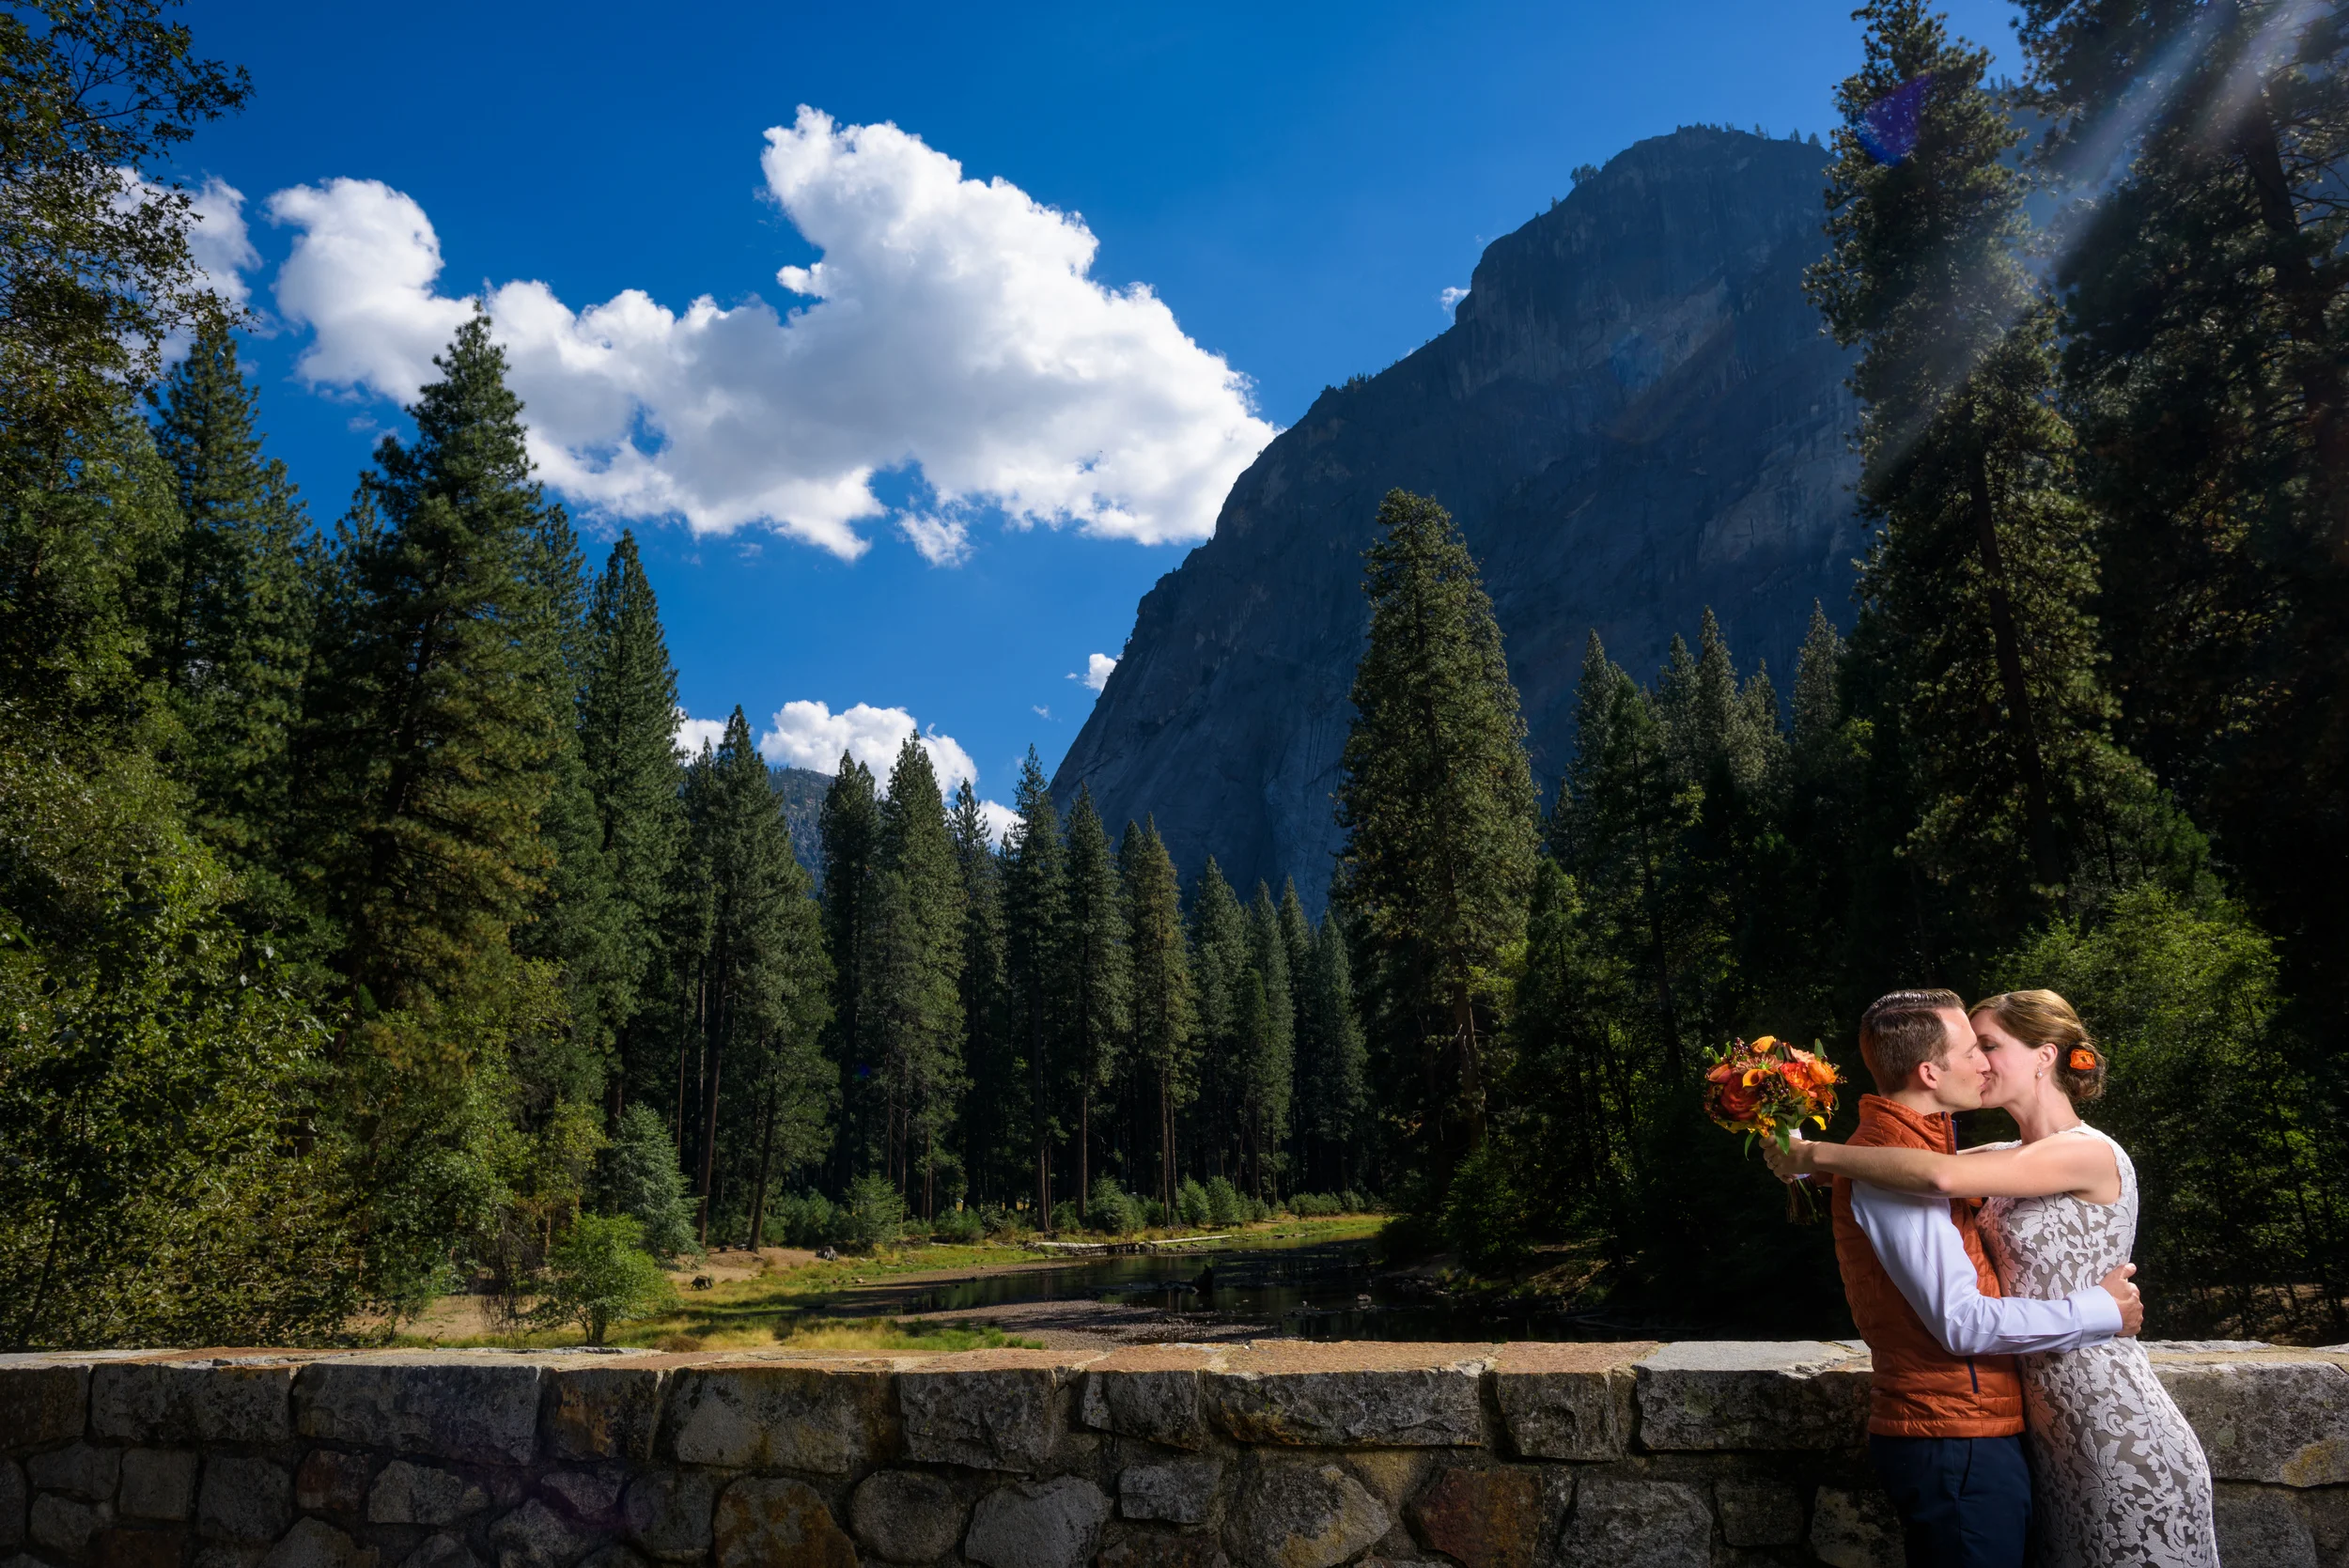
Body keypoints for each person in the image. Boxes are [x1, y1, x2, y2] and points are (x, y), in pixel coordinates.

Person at [1769, 989, 2218, 1566]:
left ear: (2044, 1055)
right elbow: (1903, 1168)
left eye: (1989, 1045)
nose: (1979, 1061)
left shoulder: (2085, 1152)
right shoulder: (2005, 1153)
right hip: (2041, 1423)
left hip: (2106, 1406)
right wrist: (1805, 1164)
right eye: (1972, 1048)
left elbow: (1935, 1176)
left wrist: (1813, 1155)